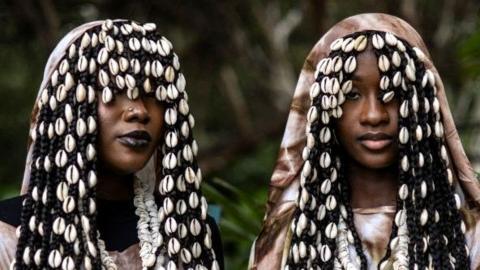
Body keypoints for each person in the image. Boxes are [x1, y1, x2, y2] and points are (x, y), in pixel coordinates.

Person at [249, 13, 480, 269]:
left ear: (420, 105)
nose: (374, 115)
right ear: (326, 110)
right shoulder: (286, 239)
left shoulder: (468, 235)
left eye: (390, 93)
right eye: (353, 94)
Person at [0, 19, 223, 270]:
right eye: (113, 91)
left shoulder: (192, 235)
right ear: (71, 107)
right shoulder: (6, 235)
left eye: (154, 95)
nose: (138, 111)